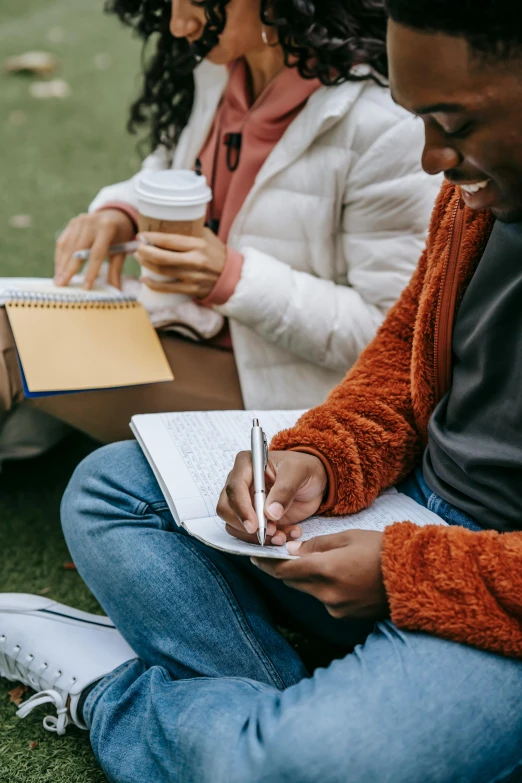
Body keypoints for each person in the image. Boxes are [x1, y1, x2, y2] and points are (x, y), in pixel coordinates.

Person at [4, 1, 522, 781]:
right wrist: (318, 451)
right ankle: (293, 718)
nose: (430, 160)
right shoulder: (479, 184)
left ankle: (118, 692)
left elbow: (360, 326)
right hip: (407, 508)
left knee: (287, 766)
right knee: (109, 486)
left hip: (486, 586)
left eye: (450, 121)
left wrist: (407, 571)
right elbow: (400, 361)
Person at [0, 0, 439, 454]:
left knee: (15, 351)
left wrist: (231, 278)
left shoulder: (385, 126)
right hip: (180, 324)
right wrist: (121, 212)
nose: (178, 23)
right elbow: (173, 170)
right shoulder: (221, 68)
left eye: (198, 3)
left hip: (282, 389)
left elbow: (389, 339)